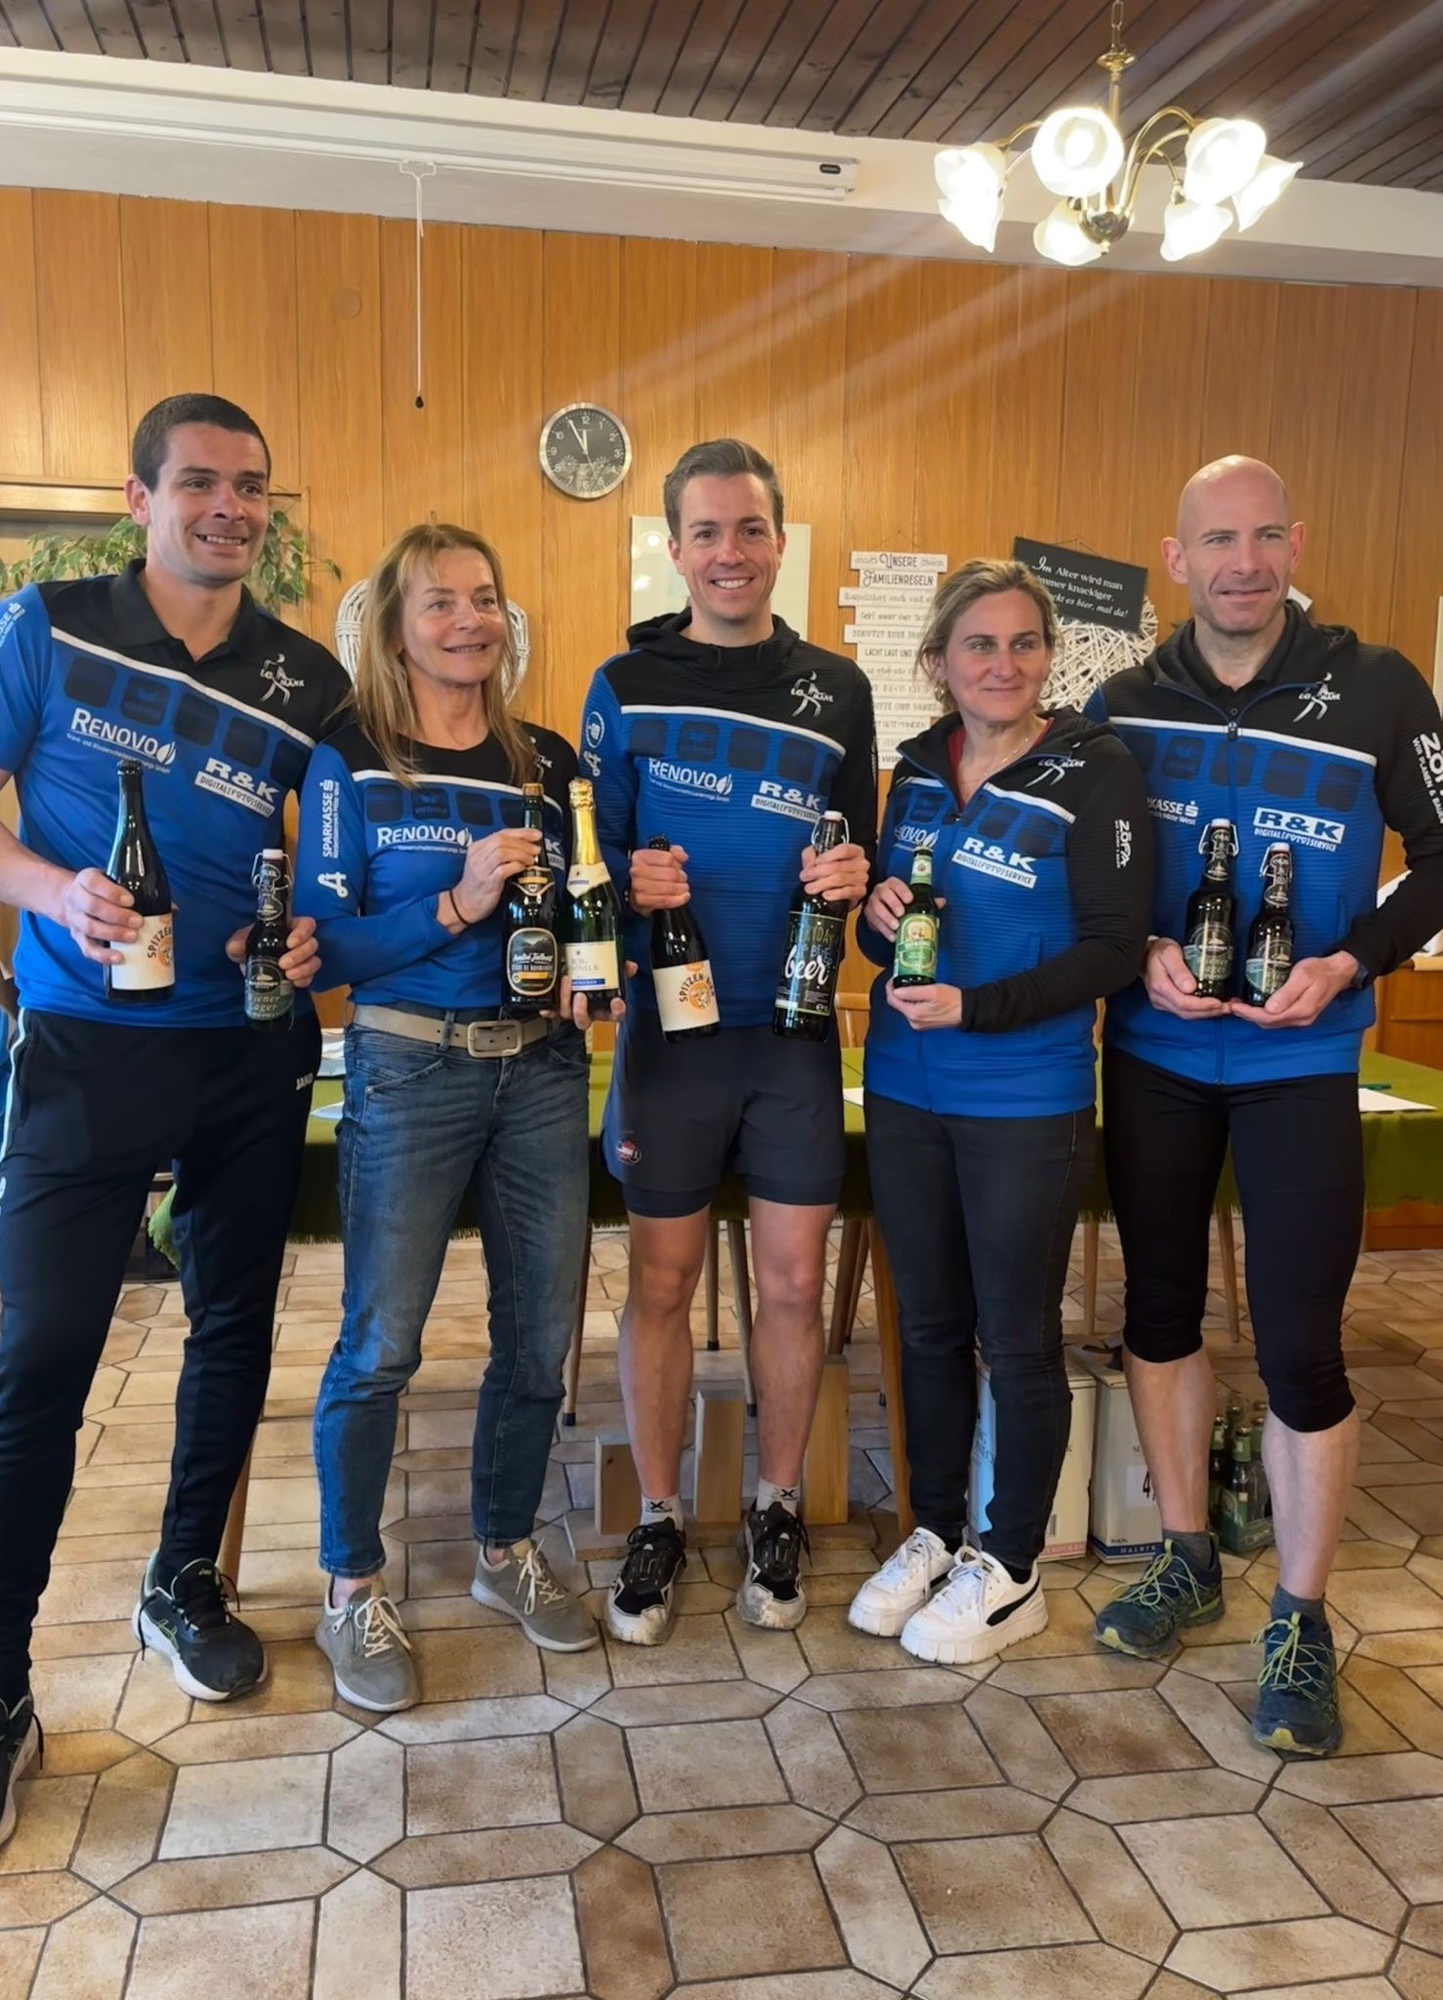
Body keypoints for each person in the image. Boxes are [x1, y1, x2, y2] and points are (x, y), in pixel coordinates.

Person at [0, 394, 349, 1856]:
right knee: (45, 1354)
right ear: (140, 499)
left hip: (250, 1049)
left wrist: (309, 935)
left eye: (250, 486)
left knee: (233, 1329)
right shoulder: (42, 626)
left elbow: (331, 867)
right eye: (198, 482)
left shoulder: (308, 679)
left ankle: (185, 1575)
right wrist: (48, 888)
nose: (228, 507)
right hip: (86, 1046)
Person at [1087, 456, 1443, 1755]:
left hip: (1303, 1061)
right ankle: (1187, 1553)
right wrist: (1137, 949)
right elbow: (1089, 866)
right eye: (1216, 540)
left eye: (1262, 537)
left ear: (1295, 544)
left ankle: (1301, 1618)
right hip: (1155, 1053)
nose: (1242, 562)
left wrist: (1352, 960)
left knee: (1302, 1345)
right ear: (1177, 559)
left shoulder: (1379, 686)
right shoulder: (1123, 701)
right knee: (1157, 1314)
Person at [579, 439, 875, 1644]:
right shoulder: (623, 683)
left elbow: (864, 854)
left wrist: (852, 877)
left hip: (792, 1035)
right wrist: (626, 883)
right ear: (675, 547)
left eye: (750, 529)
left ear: (780, 540)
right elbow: (588, 860)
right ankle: (658, 1514)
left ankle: (776, 1501)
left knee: (795, 1284)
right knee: (662, 1284)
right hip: (675, 1034)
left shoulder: (838, 689)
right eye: (705, 531)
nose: (730, 552)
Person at [299, 523, 595, 1710]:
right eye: (439, 602)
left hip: (543, 1069)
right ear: (396, 626)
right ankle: (348, 1586)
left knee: (538, 1338)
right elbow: (326, 948)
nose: (467, 620)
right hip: (409, 1065)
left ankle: (504, 1545)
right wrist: (460, 901)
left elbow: (576, 909)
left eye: (484, 598)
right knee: (381, 1344)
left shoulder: (545, 761)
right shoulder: (351, 757)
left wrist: (589, 966)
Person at [846, 560, 1151, 1662]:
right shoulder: (916, 770)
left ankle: (1010, 1564)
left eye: (1025, 643)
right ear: (939, 661)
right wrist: (877, 917)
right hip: (905, 1087)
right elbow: (882, 934)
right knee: (928, 1326)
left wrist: (980, 1008)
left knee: (1016, 1340)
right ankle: (935, 1531)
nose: (1005, 664)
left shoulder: (1096, 769)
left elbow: (1115, 949)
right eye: (980, 644)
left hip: (1026, 1096)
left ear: (1047, 657)